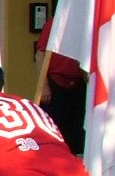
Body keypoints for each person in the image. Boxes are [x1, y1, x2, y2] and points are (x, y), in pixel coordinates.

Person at [34, 18, 88, 155]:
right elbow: (40, 55)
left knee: (78, 132)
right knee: (53, 131)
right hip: (54, 85)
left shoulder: (84, 24)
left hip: (78, 83)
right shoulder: (54, 24)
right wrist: (44, 86)